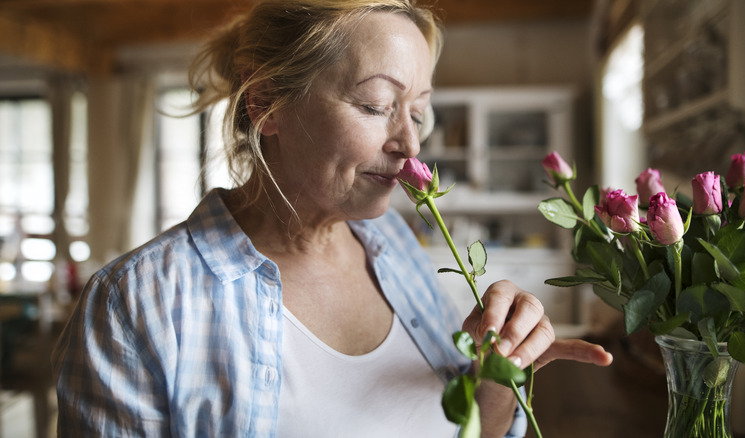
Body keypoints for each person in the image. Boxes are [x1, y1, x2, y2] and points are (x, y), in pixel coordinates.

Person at [52, 1, 613, 436]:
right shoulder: (137, 305)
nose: (411, 144)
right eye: (375, 106)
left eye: (418, 111)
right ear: (265, 103)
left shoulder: (393, 241)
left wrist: (497, 381)